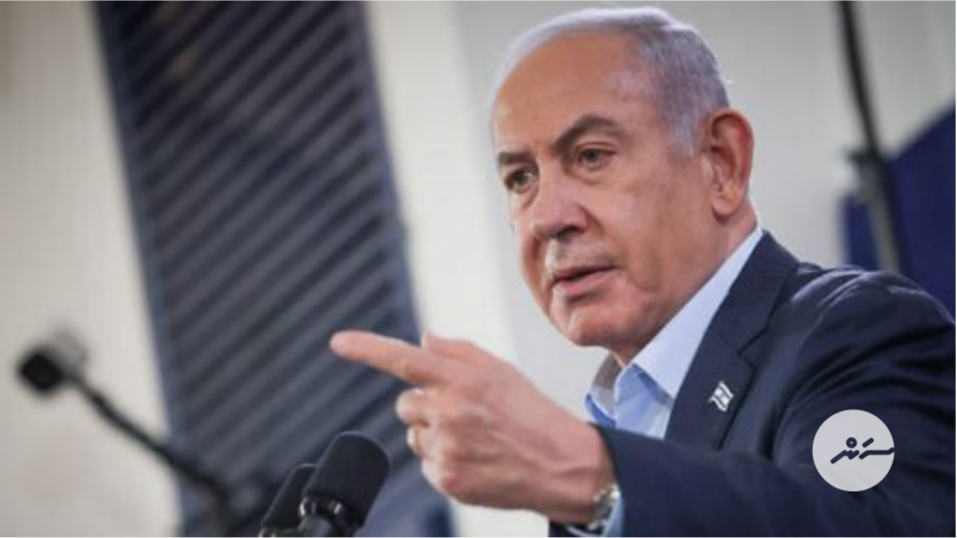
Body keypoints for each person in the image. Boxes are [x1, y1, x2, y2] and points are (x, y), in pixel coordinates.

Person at [330, 7, 956, 537]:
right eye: (521, 178)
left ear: (721, 163)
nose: (546, 217)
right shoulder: (608, 440)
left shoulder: (854, 332)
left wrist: (593, 477)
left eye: (591, 156)